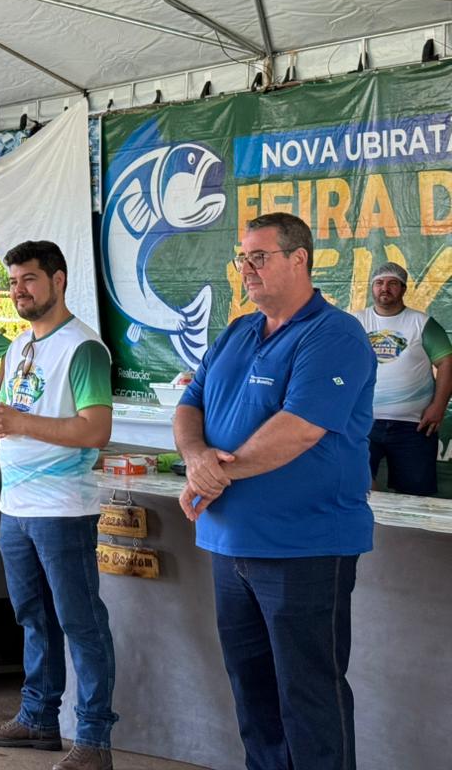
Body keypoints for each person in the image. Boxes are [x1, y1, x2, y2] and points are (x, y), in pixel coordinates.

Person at [174, 212, 375, 770]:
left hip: (304, 546)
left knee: (309, 696)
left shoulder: (335, 334)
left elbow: (301, 428)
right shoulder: (238, 331)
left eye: (259, 257)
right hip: (230, 543)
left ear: (299, 259)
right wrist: (195, 459)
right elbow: (189, 405)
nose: (247, 268)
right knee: (253, 694)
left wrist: (216, 474)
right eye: (242, 258)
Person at [0, 241, 118, 770]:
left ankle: (94, 739)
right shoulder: (18, 346)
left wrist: (18, 422)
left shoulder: (84, 348)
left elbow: (95, 430)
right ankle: (38, 718)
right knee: (32, 617)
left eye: (29, 279)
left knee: (81, 623)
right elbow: (13, 408)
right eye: (13, 281)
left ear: (58, 280)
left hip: (63, 508)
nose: (19, 290)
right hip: (16, 505)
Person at [351, 261, 452, 496]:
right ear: (372, 287)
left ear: (404, 288)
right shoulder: (355, 322)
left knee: (416, 496)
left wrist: (439, 406)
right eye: (379, 283)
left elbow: (447, 362)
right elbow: (335, 363)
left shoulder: (422, 323)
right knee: (354, 487)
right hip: (363, 422)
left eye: (393, 283)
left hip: (414, 425)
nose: (385, 288)